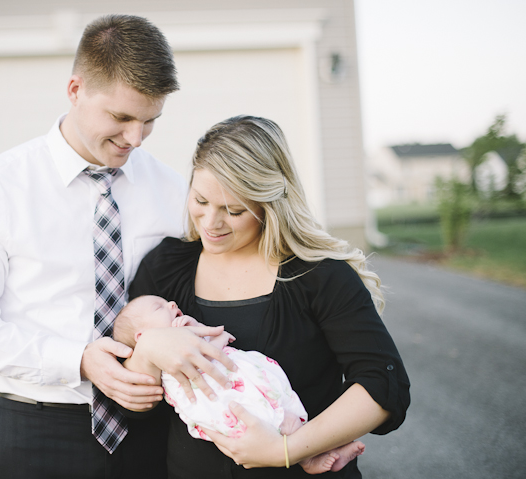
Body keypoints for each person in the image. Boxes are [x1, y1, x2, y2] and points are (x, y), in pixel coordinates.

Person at [0, 14, 236, 479]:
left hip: (155, 431)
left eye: (150, 121)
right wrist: (77, 359)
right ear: (75, 90)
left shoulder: (173, 191)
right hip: (39, 432)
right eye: (121, 117)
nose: (135, 138)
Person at [127, 115, 411, 478]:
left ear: (269, 205)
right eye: (200, 200)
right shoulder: (165, 268)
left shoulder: (319, 276)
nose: (210, 222)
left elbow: (383, 384)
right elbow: (130, 401)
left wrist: (285, 450)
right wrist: (148, 349)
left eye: (233, 210)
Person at [113, 294, 366, 475]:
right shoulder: (163, 363)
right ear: (143, 337)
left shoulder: (186, 329)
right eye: (159, 307)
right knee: (257, 414)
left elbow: (216, 335)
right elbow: (202, 358)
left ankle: (315, 441)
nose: (170, 303)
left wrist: (197, 328)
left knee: (282, 398)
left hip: (245, 375)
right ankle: (306, 457)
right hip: (221, 397)